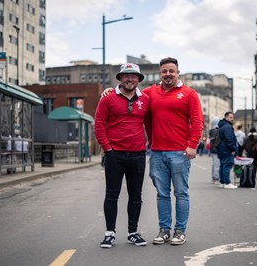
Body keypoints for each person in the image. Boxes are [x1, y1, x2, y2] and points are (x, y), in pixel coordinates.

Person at [102, 57, 204, 245]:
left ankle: (180, 231)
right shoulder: (150, 93)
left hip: (180, 153)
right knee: (162, 194)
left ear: (178, 72)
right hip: (156, 152)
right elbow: (128, 92)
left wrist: (192, 144)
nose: (168, 74)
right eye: (164, 71)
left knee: (181, 193)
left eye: (171, 71)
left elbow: (197, 121)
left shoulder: (189, 94)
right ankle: (164, 230)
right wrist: (109, 90)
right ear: (160, 73)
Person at [94, 63, 150, 248]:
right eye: (126, 75)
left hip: (138, 155)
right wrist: (107, 149)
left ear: (139, 79)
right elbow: (99, 123)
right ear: (120, 78)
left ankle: (132, 232)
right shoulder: (108, 98)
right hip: (114, 154)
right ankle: (109, 233)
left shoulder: (146, 99)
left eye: (134, 76)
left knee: (136, 195)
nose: (130, 79)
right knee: (112, 195)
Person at [217, 112, 238, 189]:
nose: (232, 119)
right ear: (226, 117)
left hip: (221, 149)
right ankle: (227, 182)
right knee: (227, 165)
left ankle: (222, 182)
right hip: (226, 149)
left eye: (232, 117)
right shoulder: (227, 127)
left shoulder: (222, 126)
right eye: (230, 117)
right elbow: (229, 139)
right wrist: (233, 148)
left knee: (222, 165)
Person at [209, 117, 220, 184]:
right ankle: (216, 177)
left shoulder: (211, 130)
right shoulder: (217, 130)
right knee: (217, 164)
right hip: (216, 148)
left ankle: (213, 177)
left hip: (212, 148)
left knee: (213, 164)